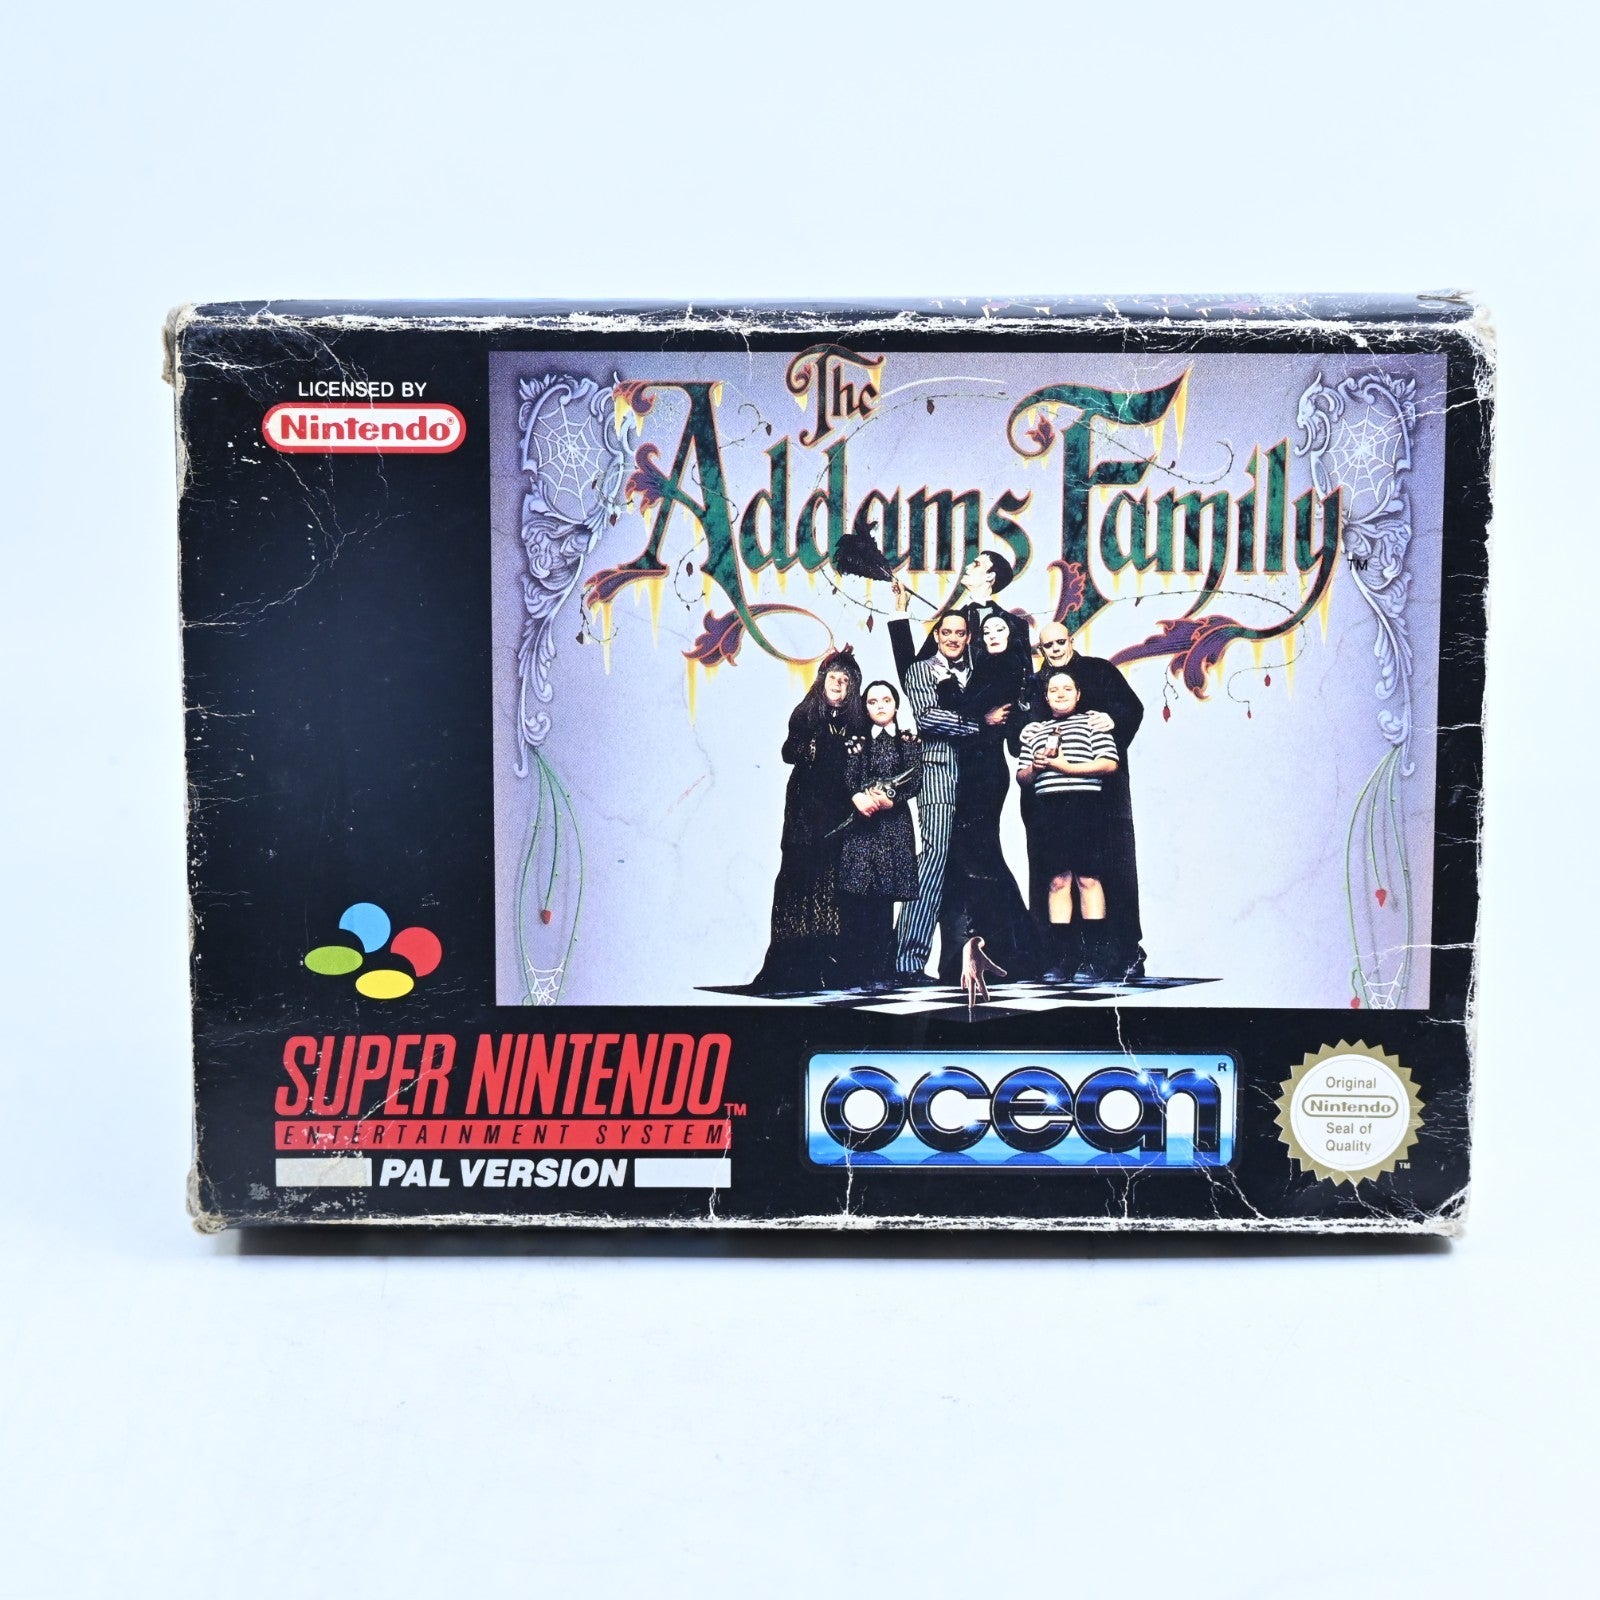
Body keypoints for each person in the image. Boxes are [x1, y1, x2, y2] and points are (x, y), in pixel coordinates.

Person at [1010, 620, 1147, 978]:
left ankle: (1121, 955)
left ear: (1071, 640)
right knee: (1053, 878)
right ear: (1040, 649)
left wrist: (1112, 720)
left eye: (1060, 642)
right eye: (1048, 645)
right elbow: (1015, 741)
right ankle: (1060, 958)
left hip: (1100, 796)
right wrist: (1023, 732)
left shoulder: (1099, 670)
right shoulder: (1031, 684)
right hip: (1046, 800)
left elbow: (1131, 710)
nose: (1055, 649)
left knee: (1106, 873)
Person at [934, 611, 1043, 982]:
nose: (993, 634)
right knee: (978, 858)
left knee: (981, 858)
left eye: (1000, 629)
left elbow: (966, 708)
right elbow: (976, 711)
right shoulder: (987, 666)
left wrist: (946, 685)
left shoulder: (1006, 665)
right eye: (987, 630)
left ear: (1012, 636)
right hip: (974, 770)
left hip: (983, 773)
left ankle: (1023, 951)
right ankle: (1007, 951)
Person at [751, 648, 866, 992]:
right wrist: (825, 746)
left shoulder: (857, 720)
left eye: (845, 680)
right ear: (822, 680)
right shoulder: (806, 712)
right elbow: (789, 751)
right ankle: (789, 963)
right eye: (833, 677)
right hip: (804, 814)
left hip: (838, 814)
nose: (838, 684)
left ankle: (824, 964)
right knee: (796, 880)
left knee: (831, 886)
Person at [1015, 667, 1121, 981]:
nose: (1060, 694)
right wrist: (1035, 768)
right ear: (1046, 697)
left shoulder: (1092, 723)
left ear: (1078, 694)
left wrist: (1066, 767)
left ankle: (1095, 960)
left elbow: (1109, 764)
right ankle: (1062, 960)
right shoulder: (1034, 731)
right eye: (1054, 690)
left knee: (1088, 878)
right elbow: (1022, 777)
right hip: (1049, 811)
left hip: (1086, 807)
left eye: (1067, 689)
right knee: (1057, 881)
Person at [836, 681, 924, 987]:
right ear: (865, 707)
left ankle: (881, 972)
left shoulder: (908, 741)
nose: (880, 706)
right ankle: (857, 971)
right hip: (863, 828)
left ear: (896, 705)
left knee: (885, 899)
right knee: (860, 895)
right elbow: (849, 777)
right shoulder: (857, 742)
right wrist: (859, 797)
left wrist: (892, 799)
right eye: (872, 702)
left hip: (893, 828)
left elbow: (915, 779)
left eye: (886, 700)